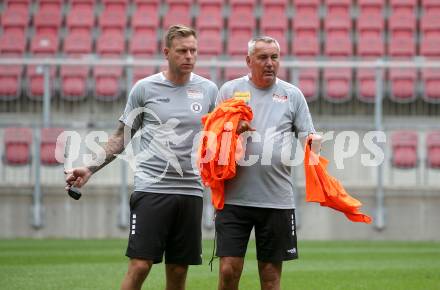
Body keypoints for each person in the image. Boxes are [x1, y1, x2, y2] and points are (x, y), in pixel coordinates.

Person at [64, 25, 218, 290]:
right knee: (140, 265)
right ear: (166, 52)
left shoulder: (209, 90)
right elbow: (120, 137)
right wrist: (90, 167)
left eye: (193, 50)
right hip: (152, 189)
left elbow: (218, 135)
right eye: (182, 51)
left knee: (179, 269)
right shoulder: (144, 89)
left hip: (191, 191)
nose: (189, 56)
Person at [214, 36, 320, 290]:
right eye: (263, 57)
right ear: (248, 61)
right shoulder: (228, 91)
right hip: (233, 199)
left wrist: (314, 142)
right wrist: (231, 129)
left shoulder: (292, 95)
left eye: (274, 57)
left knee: (271, 276)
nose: (270, 63)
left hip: (276, 199)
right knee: (228, 269)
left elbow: (308, 136)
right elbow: (212, 138)